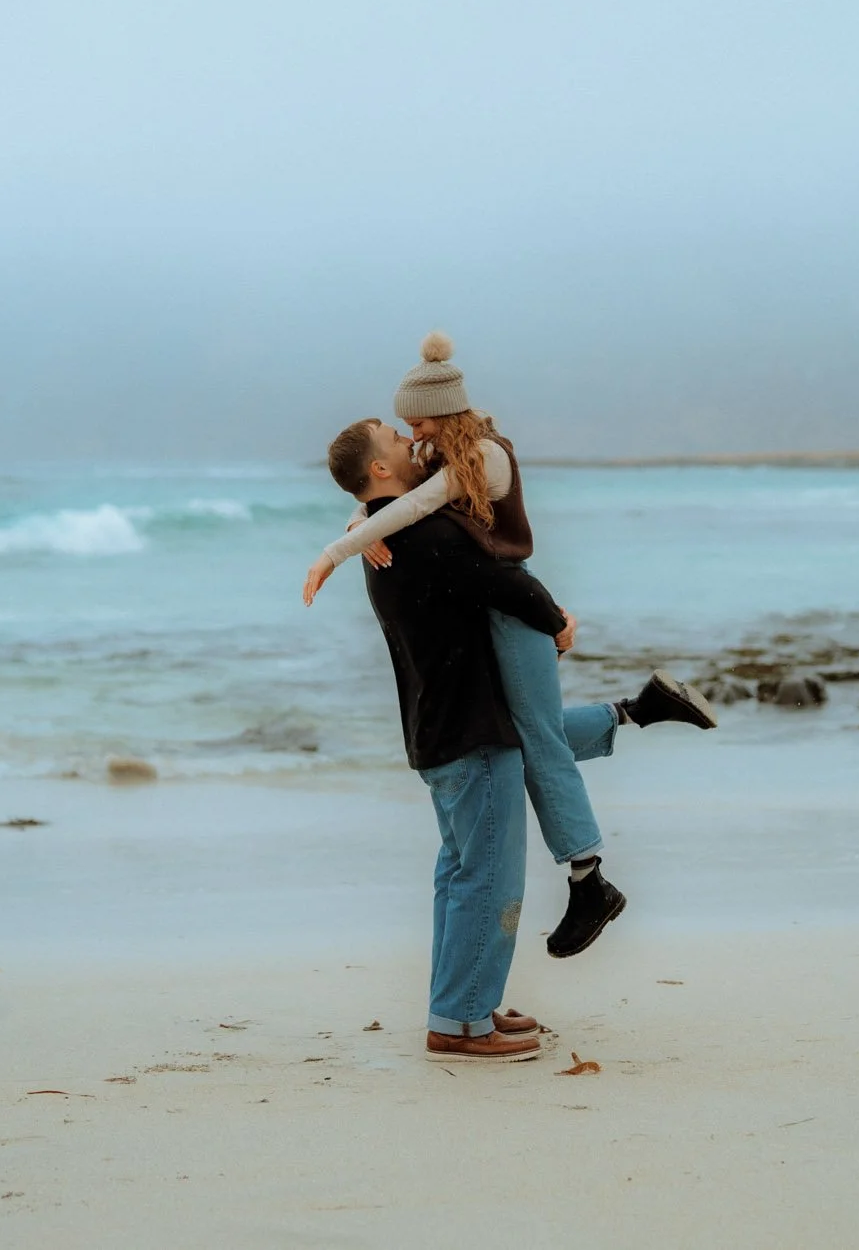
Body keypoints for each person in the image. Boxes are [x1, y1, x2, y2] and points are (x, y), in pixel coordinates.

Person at [306, 334, 715, 958]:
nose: (406, 429)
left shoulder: (484, 456)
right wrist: (360, 522)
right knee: (527, 730)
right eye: (398, 428)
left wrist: (344, 544)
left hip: (515, 605)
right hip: (505, 608)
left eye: (412, 417)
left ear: (443, 407)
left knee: (536, 739)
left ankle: (588, 881)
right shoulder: (439, 450)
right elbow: (396, 501)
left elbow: (419, 510)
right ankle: (640, 709)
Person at [328, 416, 564, 1060]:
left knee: (461, 876)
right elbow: (501, 581)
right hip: (470, 730)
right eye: (395, 442)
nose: (410, 441)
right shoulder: (417, 533)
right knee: (488, 880)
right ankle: (460, 1022)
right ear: (378, 470)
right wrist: (557, 621)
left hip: (441, 730)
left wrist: (356, 524)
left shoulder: (386, 533)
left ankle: (465, 1006)